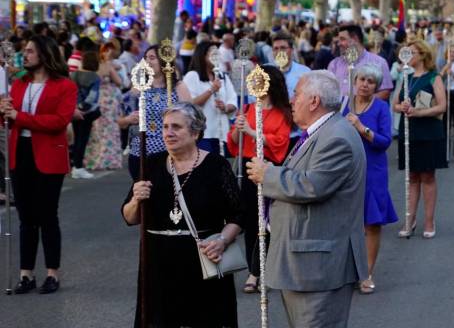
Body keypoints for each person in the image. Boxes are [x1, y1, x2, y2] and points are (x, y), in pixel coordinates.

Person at [245, 70, 368, 328]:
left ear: (314, 101)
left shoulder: (336, 137)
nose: (291, 100)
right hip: (304, 263)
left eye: (297, 94)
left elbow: (312, 186)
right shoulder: (321, 132)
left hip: (318, 267)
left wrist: (267, 175)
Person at [122, 102, 243, 327]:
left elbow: (238, 215)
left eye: (176, 127)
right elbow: (130, 218)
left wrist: (222, 240)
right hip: (157, 261)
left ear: (195, 132)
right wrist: (135, 200)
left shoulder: (216, 165)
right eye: (165, 127)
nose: (168, 133)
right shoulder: (149, 164)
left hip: (203, 258)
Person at [1, 35, 76, 294]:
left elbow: (58, 122)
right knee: (26, 217)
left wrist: (19, 116)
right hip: (19, 152)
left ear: (44, 54)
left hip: (48, 154)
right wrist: (3, 112)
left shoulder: (65, 86)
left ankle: (52, 274)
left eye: (31, 51)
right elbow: (8, 122)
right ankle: (26, 274)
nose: (26, 55)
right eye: (25, 51)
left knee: (47, 215)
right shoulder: (18, 84)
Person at [227, 65, 291, 294]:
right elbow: (234, 144)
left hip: (268, 167)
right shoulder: (247, 108)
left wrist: (254, 133)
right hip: (247, 167)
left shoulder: (282, 113)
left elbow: (280, 144)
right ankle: (254, 270)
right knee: (250, 220)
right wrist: (239, 128)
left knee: (268, 221)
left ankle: (261, 271)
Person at [341, 64, 398, 294]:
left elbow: (385, 142)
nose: (365, 84)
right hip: (346, 169)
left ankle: (366, 274)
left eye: (371, 81)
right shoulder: (344, 105)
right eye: (362, 79)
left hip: (373, 170)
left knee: (371, 223)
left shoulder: (381, 107)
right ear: (354, 81)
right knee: (346, 223)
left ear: (376, 86)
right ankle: (348, 271)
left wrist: (361, 128)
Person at [393, 40, 447, 238]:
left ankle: (429, 221)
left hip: (428, 131)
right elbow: (395, 104)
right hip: (409, 132)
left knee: (427, 177)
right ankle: (410, 219)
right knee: (412, 177)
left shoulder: (434, 77)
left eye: (412, 52)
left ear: (423, 55)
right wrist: (403, 108)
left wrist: (420, 112)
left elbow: (442, 106)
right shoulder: (405, 76)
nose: (407, 55)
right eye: (406, 52)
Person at [119, 45, 191, 180]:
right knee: (142, 196)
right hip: (139, 153)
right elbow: (120, 121)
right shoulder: (138, 88)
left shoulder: (178, 87)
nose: (147, 62)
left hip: (170, 152)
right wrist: (128, 119)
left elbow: (191, 119)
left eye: (152, 58)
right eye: (145, 58)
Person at [183, 41, 238, 153]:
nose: (216, 56)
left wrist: (225, 107)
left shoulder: (222, 76)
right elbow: (190, 104)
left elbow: (233, 100)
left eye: (217, 53)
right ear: (202, 56)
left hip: (222, 133)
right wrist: (211, 90)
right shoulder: (192, 76)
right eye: (212, 53)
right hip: (203, 134)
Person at [83, 43, 124, 170]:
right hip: (109, 99)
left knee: (96, 130)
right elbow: (119, 82)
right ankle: (108, 160)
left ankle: (92, 160)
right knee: (109, 129)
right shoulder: (107, 66)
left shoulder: (88, 66)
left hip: (94, 98)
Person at [328, 24, 394, 100]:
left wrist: (360, 104)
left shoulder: (378, 62)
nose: (339, 44)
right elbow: (328, 92)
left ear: (355, 39)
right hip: (338, 110)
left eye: (342, 39)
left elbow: (385, 93)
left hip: (366, 111)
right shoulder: (334, 64)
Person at [70, 51, 102, 179]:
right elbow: (93, 96)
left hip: (74, 111)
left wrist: (76, 107)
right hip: (87, 112)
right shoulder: (94, 77)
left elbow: (72, 93)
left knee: (76, 138)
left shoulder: (74, 75)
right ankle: (78, 167)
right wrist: (84, 107)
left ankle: (75, 166)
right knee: (82, 140)